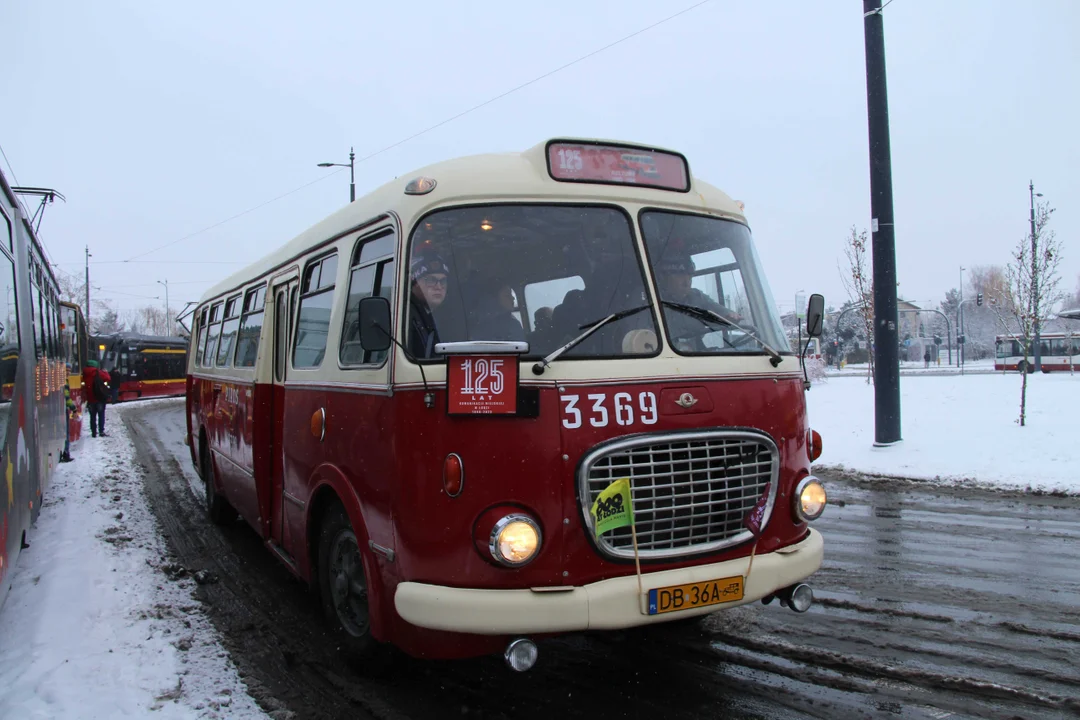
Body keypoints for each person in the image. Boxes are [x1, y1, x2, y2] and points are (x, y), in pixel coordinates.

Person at [407, 254, 451, 359]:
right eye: (431, 280)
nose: (439, 287)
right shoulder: (404, 315)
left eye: (443, 281)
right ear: (415, 282)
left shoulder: (448, 314)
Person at [81, 359, 111, 438]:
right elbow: (108, 378)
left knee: (92, 416)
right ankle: (101, 431)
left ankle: (94, 432)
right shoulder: (98, 372)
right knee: (101, 415)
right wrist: (105, 372)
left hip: (90, 399)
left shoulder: (84, 374)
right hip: (99, 398)